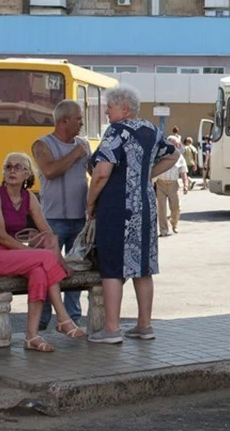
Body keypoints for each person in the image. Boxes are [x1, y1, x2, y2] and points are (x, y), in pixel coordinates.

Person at [86, 84, 178, 344]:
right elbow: (173, 155)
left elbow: (102, 172)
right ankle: (144, 325)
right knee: (143, 266)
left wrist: (90, 202)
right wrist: (145, 176)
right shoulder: (150, 129)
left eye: (110, 107)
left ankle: (112, 329)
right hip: (145, 204)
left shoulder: (117, 131)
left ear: (124, 109)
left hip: (118, 206)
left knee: (112, 266)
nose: (106, 111)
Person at [0, 152, 86, 352]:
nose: (12, 171)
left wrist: (61, 263)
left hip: (15, 256)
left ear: (28, 174)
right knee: (44, 257)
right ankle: (63, 318)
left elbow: (48, 233)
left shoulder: (29, 197)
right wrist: (30, 252)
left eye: (18, 167)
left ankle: (31, 336)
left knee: (39, 271)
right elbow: (1, 236)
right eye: (8, 167)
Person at [31, 100, 90, 330]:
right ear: (64, 120)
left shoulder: (84, 145)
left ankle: (73, 319)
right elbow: (50, 171)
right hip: (51, 221)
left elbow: (94, 173)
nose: (82, 124)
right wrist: (75, 153)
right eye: (79, 119)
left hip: (80, 218)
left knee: (76, 269)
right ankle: (43, 320)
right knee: (47, 271)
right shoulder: (42, 145)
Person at [154, 135, 190, 237]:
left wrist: (186, 185)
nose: (175, 146)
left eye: (176, 144)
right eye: (172, 144)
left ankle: (174, 224)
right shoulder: (160, 155)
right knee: (161, 208)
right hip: (160, 183)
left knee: (176, 207)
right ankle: (163, 230)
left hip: (173, 184)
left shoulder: (179, 156)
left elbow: (183, 172)